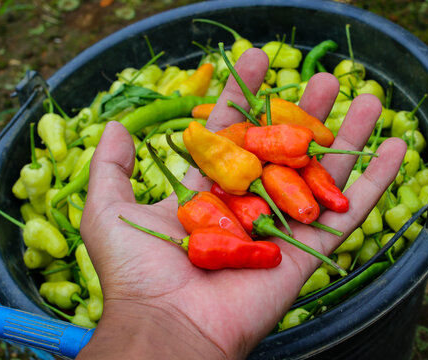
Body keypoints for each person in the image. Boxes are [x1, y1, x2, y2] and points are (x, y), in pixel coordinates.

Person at [76, 47, 407, 360]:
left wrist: (155, 316)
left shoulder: (243, 170)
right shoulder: (226, 186)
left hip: (253, 187)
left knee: (284, 180)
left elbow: (259, 162)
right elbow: (239, 225)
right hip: (245, 193)